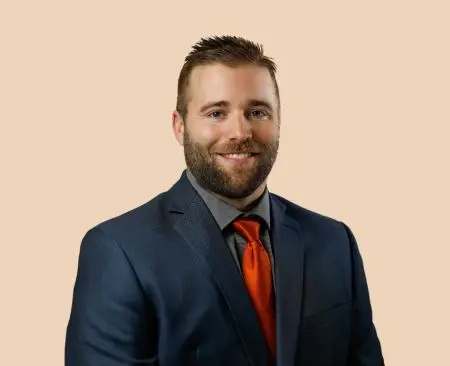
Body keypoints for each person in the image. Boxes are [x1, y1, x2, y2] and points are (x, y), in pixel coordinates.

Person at [65, 35, 384, 366]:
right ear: (180, 126)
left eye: (257, 111)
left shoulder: (334, 243)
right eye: (216, 113)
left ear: (278, 121)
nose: (240, 132)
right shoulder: (119, 251)